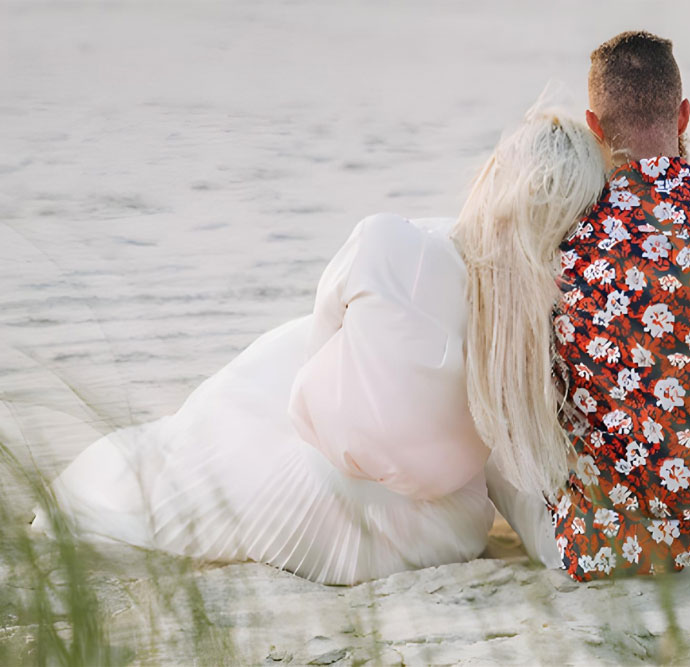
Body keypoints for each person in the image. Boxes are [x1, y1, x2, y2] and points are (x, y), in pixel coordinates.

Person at [32, 104, 607, 586]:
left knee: (239, 401)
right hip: (433, 538)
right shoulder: (546, 320)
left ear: (490, 179)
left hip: (306, 507)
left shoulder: (390, 239)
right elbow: (517, 473)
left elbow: (317, 347)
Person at [481, 31, 690, 582]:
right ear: (683, 117)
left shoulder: (565, 240)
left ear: (595, 127)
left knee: (492, 435)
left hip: (612, 558)